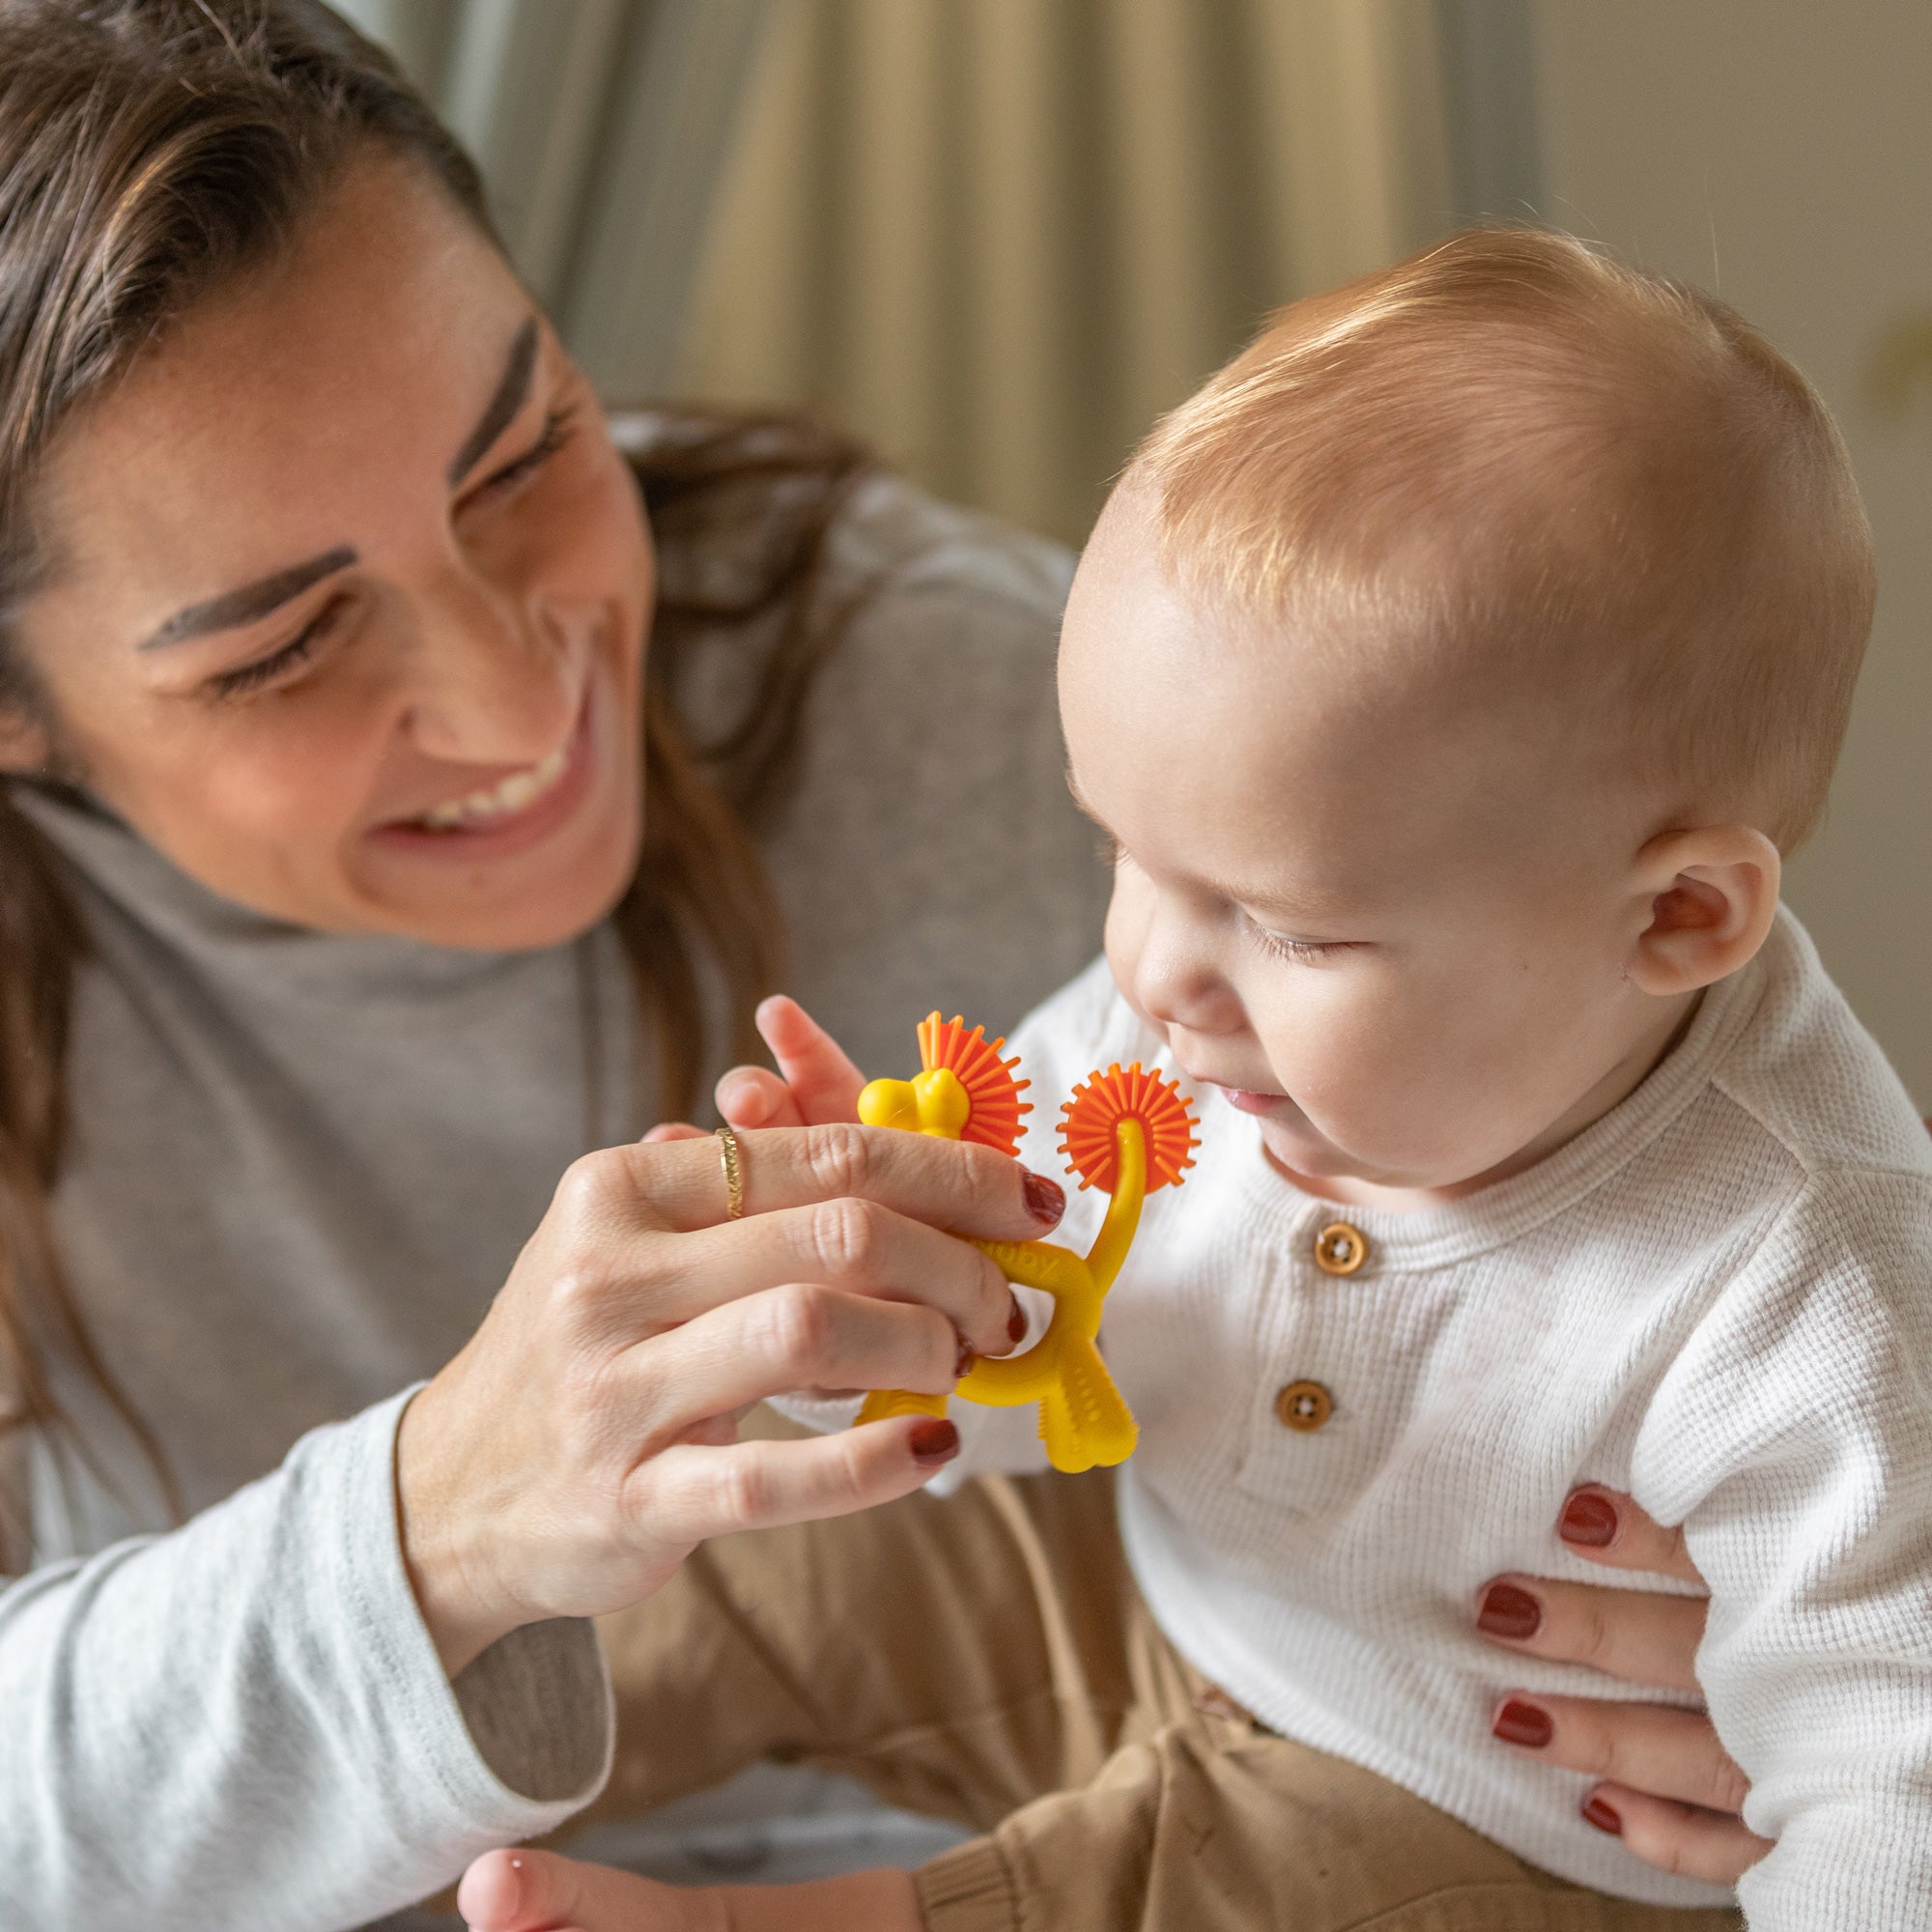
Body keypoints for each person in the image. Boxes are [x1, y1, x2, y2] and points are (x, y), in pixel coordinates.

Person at [0, 5, 1806, 1926]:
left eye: (524, 451)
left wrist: (1770, 1624)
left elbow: (1715, 1177)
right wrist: (446, 1512)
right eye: (282, 645)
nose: (519, 683)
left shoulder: (962, 695)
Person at [462, 231, 1932, 1932]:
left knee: (1213, 1887)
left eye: (1288, 927)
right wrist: (866, 1279)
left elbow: (1890, 1772)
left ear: (1674, 915)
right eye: (1126, 855)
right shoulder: (1188, 1016)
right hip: (1159, 1584)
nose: (1155, 972)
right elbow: (1008, 1365)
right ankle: (442, 1788)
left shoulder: (1807, 1283)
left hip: (1462, 1794)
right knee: (780, 1553)